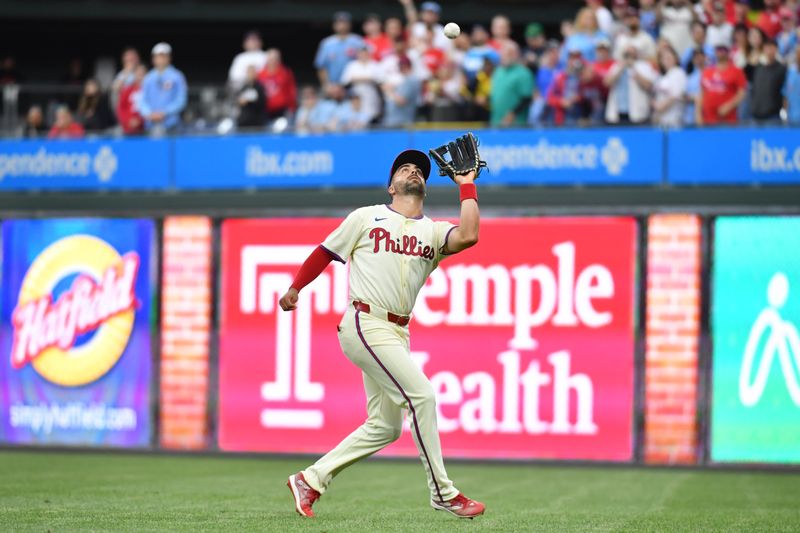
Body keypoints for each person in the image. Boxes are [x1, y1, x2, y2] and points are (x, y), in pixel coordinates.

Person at [282, 140, 485, 520]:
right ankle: (443, 493)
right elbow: (325, 251)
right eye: (404, 169)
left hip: (397, 332)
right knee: (421, 396)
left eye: (419, 170)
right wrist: (296, 287)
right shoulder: (366, 217)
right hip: (364, 320)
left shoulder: (433, 232)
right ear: (391, 186)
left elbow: (469, 235)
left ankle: (310, 479)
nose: (413, 171)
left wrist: (467, 185)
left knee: (385, 427)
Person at [139, 42, 187, 135]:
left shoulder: (177, 76)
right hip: (151, 124)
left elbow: (181, 99)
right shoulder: (148, 78)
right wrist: (149, 113)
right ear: (153, 59)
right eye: (158, 56)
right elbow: (142, 100)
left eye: (164, 56)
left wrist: (164, 113)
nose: (161, 59)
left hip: (171, 124)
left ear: (169, 58)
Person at [604, 45, 659, 124]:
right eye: (627, 53)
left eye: (632, 53)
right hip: (618, 111)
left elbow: (648, 86)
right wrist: (621, 68)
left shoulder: (643, 66)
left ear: (636, 55)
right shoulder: (617, 66)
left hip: (638, 112)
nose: (629, 56)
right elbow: (607, 83)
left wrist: (633, 68)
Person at [697, 42, 747, 124]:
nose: (720, 52)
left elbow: (742, 93)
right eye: (717, 50)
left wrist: (729, 106)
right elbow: (701, 93)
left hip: (728, 118)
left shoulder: (737, 71)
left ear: (728, 52)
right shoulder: (707, 71)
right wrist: (698, 114)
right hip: (708, 119)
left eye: (723, 49)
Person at [315, 11, 365, 89]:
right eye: (339, 22)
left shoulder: (358, 41)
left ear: (350, 25)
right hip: (333, 85)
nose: (342, 25)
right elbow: (321, 67)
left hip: (354, 85)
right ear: (334, 25)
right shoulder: (327, 43)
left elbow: (365, 62)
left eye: (345, 22)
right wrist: (326, 85)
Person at [490, 42, 535, 126]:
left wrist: (513, 114)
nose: (503, 56)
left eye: (508, 54)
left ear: (515, 54)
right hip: (496, 121)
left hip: (515, 124)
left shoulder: (524, 73)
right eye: (502, 53)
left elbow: (527, 98)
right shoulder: (498, 71)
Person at [341, 45, 383, 124]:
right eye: (361, 53)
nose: (363, 55)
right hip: (356, 94)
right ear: (358, 54)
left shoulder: (375, 65)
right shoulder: (352, 65)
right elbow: (345, 81)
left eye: (365, 53)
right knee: (356, 118)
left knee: (371, 116)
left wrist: (360, 78)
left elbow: (380, 80)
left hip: (371, 93)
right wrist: (367, 78)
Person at [750, 39, 787, 123]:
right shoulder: (758, 68)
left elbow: (785, 91)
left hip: (773, 115)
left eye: (771, 47)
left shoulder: (782, 69)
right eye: (766, 47)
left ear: (776, 49)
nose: (769, 50)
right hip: (756, 114)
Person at [258, 49, 297, 121]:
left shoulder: (286, 73)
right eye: (271, 59)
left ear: (279, 59)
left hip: (283, 109)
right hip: (265, 111)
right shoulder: (260, 74)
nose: (273, 61)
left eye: (275, 59)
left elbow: (292, 90)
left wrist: (292, 108)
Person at [382, 55, 422, 127]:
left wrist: (389, 91)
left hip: (401, 122)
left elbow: (401, 101)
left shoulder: (411, 80)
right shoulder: (407, 80)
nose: (400, 69)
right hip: (397, 121)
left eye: (401, 66)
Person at [652, 46, 688, 125]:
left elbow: (675, 95)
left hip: (673, 119)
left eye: (669, 57)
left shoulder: (679, 73)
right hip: (661, 120)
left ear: (675, 58)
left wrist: (660, 107)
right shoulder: (662, 77)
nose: (667, 60)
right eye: (664, 58)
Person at [117, 64, 146, 135]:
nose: (140, 76)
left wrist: (140, 120)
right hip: (127, 128)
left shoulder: (148, 91)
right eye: (138, 74)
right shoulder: (127, 90)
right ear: (134, 75)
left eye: (142, 74)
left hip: (145, 128)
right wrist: (127, 121)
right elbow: (121, 108)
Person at [683, 48, 706, 124]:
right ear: (693, 60)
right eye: (696, 57)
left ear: (705, 57)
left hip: (707, 116)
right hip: (690, 117)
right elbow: (684, 96)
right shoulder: (689, 78)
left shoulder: (711, 74)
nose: (698, 59)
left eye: (700, 56)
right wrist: (692, 97)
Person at [784, 45, 800, 124]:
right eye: (797, 54)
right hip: (792, 118)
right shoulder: (791, 72)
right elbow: (786, 94)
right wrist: (785, 114)